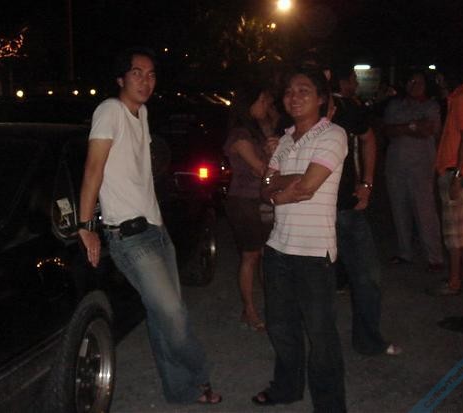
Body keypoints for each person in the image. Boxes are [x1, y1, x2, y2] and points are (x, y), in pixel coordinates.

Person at [77, 47, 221, 404]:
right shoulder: (109, 110)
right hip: (129, 236)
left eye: (151, 74)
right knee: (174, 315)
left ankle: (180, 390)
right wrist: (85, 224)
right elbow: (93, 168)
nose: (145, 81)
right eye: (137, 73)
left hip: (156, 230)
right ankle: (201, 375)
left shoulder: (141, 113)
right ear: (120, 79)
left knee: (161, 317)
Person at [254, 66, 347, 412]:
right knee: (281, 327)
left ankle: (330, 406)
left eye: (304, 90)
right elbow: (264, 189)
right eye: (289, 91)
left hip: (313, 252)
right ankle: (287, 387)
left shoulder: (333, 135)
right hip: (278, 248)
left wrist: (278, 186)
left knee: (321, 336)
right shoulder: (284, 140)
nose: (294, 97)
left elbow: (307, 187)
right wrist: (281, 186)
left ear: (321, 98)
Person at [331, 65, 402, 356]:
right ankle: (317, 348)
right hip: (311, 210)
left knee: (366, 277)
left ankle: (367, 339)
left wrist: (367, 184)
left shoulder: (348, 108)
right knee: (314, 282)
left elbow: (369, 137)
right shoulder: (294, 111)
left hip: (346, 207)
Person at [223, 84, 279, 331]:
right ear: (250, 104)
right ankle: (249, 310)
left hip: (262, 200)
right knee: (250, 255)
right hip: (244, 201)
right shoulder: (240, 136)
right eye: (263, 101)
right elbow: (261, 170)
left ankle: (273, 305)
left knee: (267, 253)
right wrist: (273, 154)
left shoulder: (256, 131)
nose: (267, 106)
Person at [383, 70, 444, 271]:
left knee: (425, 211)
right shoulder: (395, 105)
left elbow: (428, 130)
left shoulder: (431, 106)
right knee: (399, 210)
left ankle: (434, 256)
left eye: (418, 82)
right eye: (411, 81)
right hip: (395, 167)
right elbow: (388, 130)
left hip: (421, 168)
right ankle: (405, 252)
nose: (414, 85)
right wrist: (413, 126)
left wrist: (402, 128)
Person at [431, 65, 463, 296]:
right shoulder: (457, 98)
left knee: (453, 232)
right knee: (460, 229)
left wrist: (458, 175)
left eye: (440, 76)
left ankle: (454, 281)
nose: (438, 80)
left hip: (454, 172)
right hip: (453, 171)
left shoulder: (462, 98)